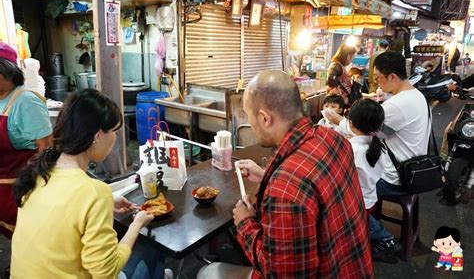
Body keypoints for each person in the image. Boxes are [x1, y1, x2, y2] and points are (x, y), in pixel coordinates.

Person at [198, 70, 373, 278]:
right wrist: (268, 177)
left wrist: (245, 223)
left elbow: (281, 274)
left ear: (264, 118)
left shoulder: (285, 190)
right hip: (354, 268)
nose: (251, 124)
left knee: (207, 273)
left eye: (249, 116)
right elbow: (312, 193)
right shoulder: (334, 139)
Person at [11, 89, 167, 278]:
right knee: (152, 251)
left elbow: (65, 214)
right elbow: (106, 271)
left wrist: (108, 201)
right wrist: (137, 225)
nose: (115, 138)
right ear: (98, 135)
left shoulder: (38, 173)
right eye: (115, 131)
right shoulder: (93, 192)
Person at [326, 51, 431, 257]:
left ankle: (384, 238)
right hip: (413, 169)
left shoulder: (398, 105)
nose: (377, 84)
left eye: (379, 79)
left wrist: (338, 120)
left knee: (339, 194)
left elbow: (367, 129)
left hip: (396, 177)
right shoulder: (415, 95)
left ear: (392, 77)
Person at [0, 42, 52, 238]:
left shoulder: (26, 102)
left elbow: (46, 149)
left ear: (8, 73)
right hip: (2, 192)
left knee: (30, 237)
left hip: (21, 190)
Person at [346, 99, 387, 212]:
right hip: (371, 199)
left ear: (351, 124)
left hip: (355, 204)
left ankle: (375, 229)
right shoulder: (379, 146)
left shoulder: (351, 149)